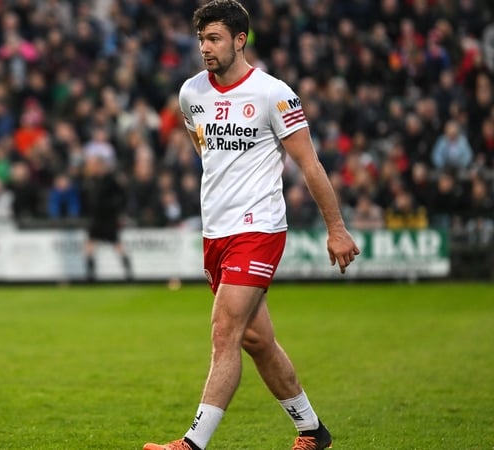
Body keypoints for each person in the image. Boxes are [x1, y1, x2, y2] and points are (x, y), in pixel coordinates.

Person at [143, 2, 360, 450]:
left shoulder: (273, 94)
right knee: (258, 340)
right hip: (215, 232)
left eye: (214, 38)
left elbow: (310, 164)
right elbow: (204, 150)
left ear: (240, 40)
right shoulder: (190, 93)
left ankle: (192, 443)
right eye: (201, 39)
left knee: (224, 331)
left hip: (259, 228)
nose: (205, 48)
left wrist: (336, 228)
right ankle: (312, 432)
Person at [81, 153, 132, 282]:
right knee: (90, 243)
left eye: (94, 164)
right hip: (96, 217)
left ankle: (128, 272)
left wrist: (114, 207)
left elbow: (122, 196)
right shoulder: (91, 180)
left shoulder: (111, 179)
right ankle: (90, 273)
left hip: (108, 217)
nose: (92, 167)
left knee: (116, 243)